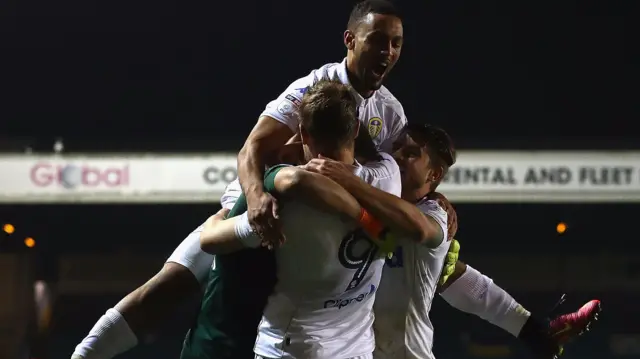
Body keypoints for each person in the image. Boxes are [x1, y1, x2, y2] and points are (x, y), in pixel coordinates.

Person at [305, 124, 601, 359]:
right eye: (395, 149)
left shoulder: (431, 213)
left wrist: (353, 182)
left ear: (433, 174)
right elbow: (458, 279)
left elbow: (420, 230)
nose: (396, 157)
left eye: (410, 153)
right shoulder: (366, 201)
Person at [197, 79, 418, 359]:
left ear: (303, 133)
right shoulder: (388, 177)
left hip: (292, 349)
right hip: (357, 348)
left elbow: (210, 241)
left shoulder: (284, 204)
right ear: (357, 130)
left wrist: (220, 219)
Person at [236, 0, 407, 247]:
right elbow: (253, 147)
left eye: (396, 44)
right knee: (179, 272)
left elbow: (403, 181)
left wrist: (435, 200)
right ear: (350, 40)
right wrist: (254, 197)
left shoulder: (392, 114)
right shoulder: (312, 88)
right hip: (271, 211)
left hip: (339, 231)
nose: (387, 51)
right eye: (377, 40)